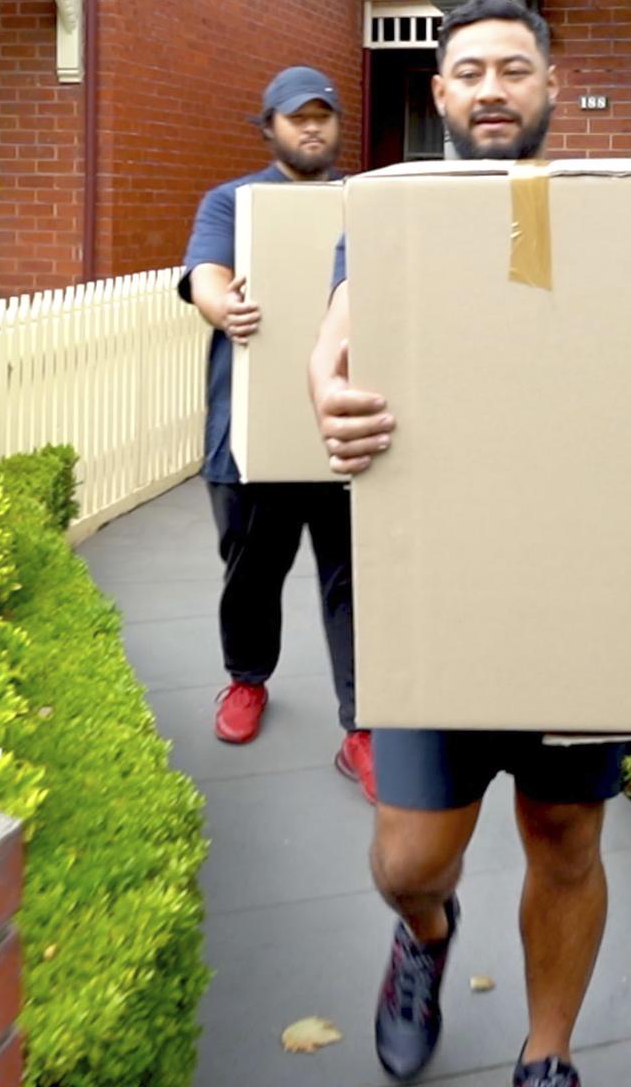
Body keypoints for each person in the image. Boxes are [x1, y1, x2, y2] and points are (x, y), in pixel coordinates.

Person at [307, 0, 631, 1087]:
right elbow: (336, 335)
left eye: (514, 68)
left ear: (550, 85)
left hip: (572, 588)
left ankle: (548, 1055)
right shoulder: (395, 213)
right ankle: (426, 933)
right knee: (410, 860)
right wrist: (325, 390)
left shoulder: (605, 217)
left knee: (566, 837)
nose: (494, 89)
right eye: (472, 73)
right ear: (440, 92)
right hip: (435, 587)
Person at [179, 65, 373, 802]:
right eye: (298, 117)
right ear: (270, 128)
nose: (312, 127)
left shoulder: (366, 203)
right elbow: (206, 273)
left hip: (341, 430)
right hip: (251, 434)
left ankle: (362, 726)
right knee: (251, 574)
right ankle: (246, 680)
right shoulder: (233, 201)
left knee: (354, 581)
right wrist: (222, 305)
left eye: (324, 115)